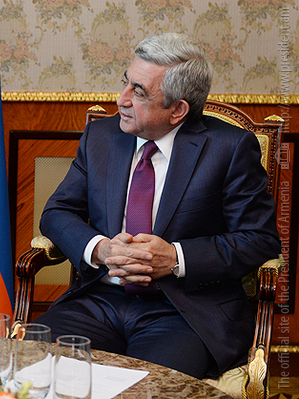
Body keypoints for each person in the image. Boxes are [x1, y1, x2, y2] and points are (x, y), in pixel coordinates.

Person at [34, 33, 280, 379]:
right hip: (98, 301)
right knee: (34, 373)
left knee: (149, 390)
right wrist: (101, 249)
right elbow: (57, 213)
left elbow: (259, 240)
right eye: (125, 82)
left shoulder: (229, 148)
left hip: (184, 312)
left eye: (138, 92)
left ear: (178, 110)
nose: (121, 100)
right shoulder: (102, 137)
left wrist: (175, 258)